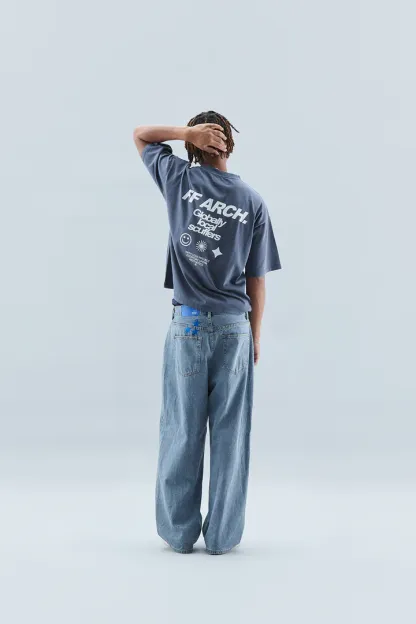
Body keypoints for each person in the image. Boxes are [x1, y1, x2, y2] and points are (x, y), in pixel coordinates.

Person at [133, 110, 281, 555]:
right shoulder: (252, 201)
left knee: (182, 428)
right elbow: (257, 280)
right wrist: (255, 336)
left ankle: (179, 535)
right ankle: (222, 538)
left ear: (191, 146)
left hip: (189, 323)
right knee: (232, 434)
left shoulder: (178, 179)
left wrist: (184, 133)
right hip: (235, 327)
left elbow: (141, 135)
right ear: (230, 145)